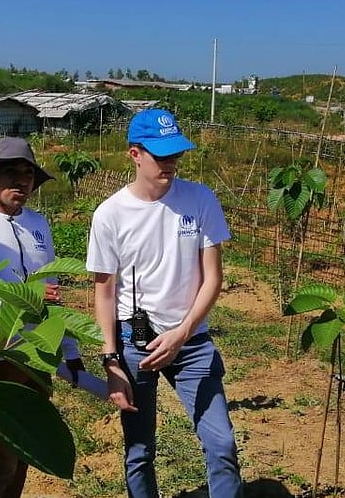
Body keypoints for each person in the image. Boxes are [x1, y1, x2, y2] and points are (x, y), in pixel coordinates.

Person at [87, 109, 244, 498]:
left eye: (175, 155)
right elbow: (104, 293)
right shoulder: (110, 215)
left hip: (190, 340)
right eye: (161, 156)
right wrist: (111, 361)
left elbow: (214, 278)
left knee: (221, 444)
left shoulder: (200, 198)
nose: (170, 164)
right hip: (134, 340)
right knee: (139, 450)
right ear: (135, 154)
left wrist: (182, 333)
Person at [0, 136, 85, 497]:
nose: (21, 182)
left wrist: (70, 350)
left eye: (27, 174)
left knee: (26, 453)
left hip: (38, 353)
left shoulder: (38, 223)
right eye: (11, 173)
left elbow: (52, 293)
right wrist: (21, 302)